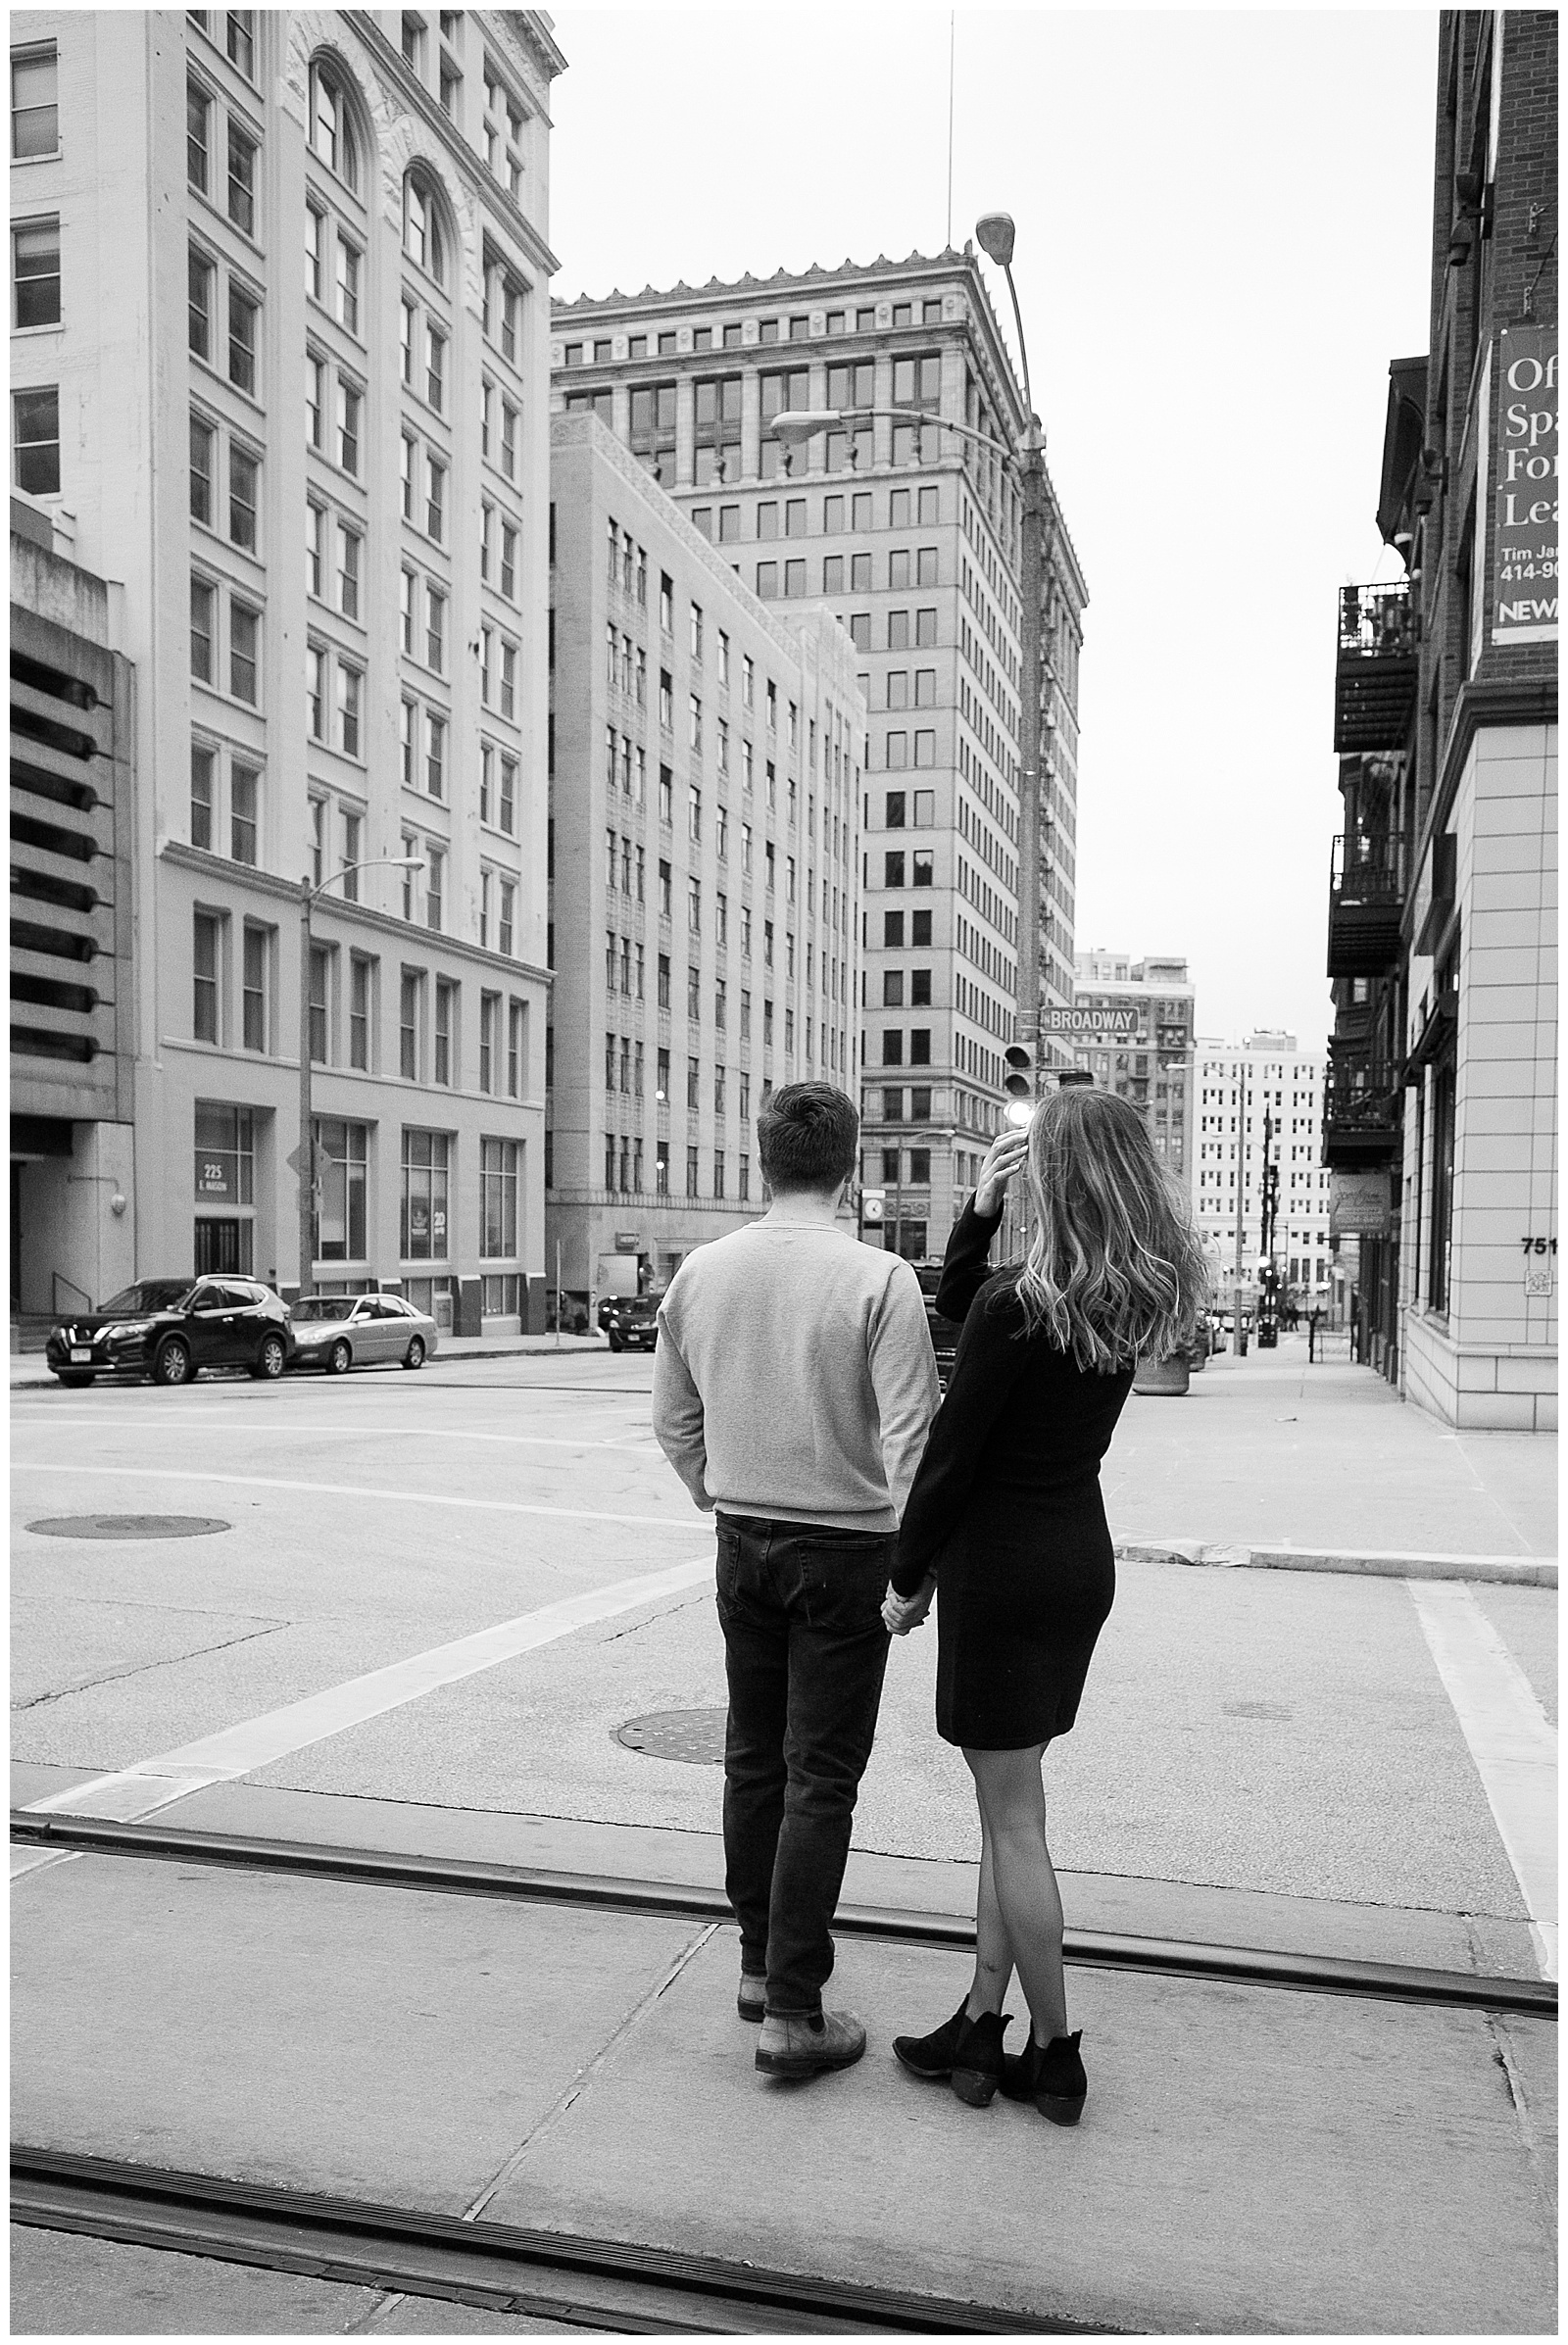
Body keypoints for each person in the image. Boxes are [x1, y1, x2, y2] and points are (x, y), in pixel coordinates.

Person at [882, 1088, 1207, 2125]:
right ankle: (981, 2022)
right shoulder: (1124, 1291)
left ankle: (1054, 2048)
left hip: (1001, 1575)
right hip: (1073, 1563)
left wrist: (903, 1576)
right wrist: (977, 1213)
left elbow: (950, 1453)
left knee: (1014, 1820)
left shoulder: (1022, 1302)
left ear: (1055, 1176)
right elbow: (967, 1303)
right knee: (1007, 1808)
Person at [653, 1083, 940, 2081]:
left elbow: (673, 1422)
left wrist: (716, 1491)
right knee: (821, 1773)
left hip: (743, 1539)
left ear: (759, 1161)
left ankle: (753, 1960)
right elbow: (912, 1440)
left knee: (752, 1756)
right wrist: (916, 1569)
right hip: (849, 1549)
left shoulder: (702, 1270)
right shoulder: (879, 1277)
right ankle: (793, 2005)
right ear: (851, 1167)